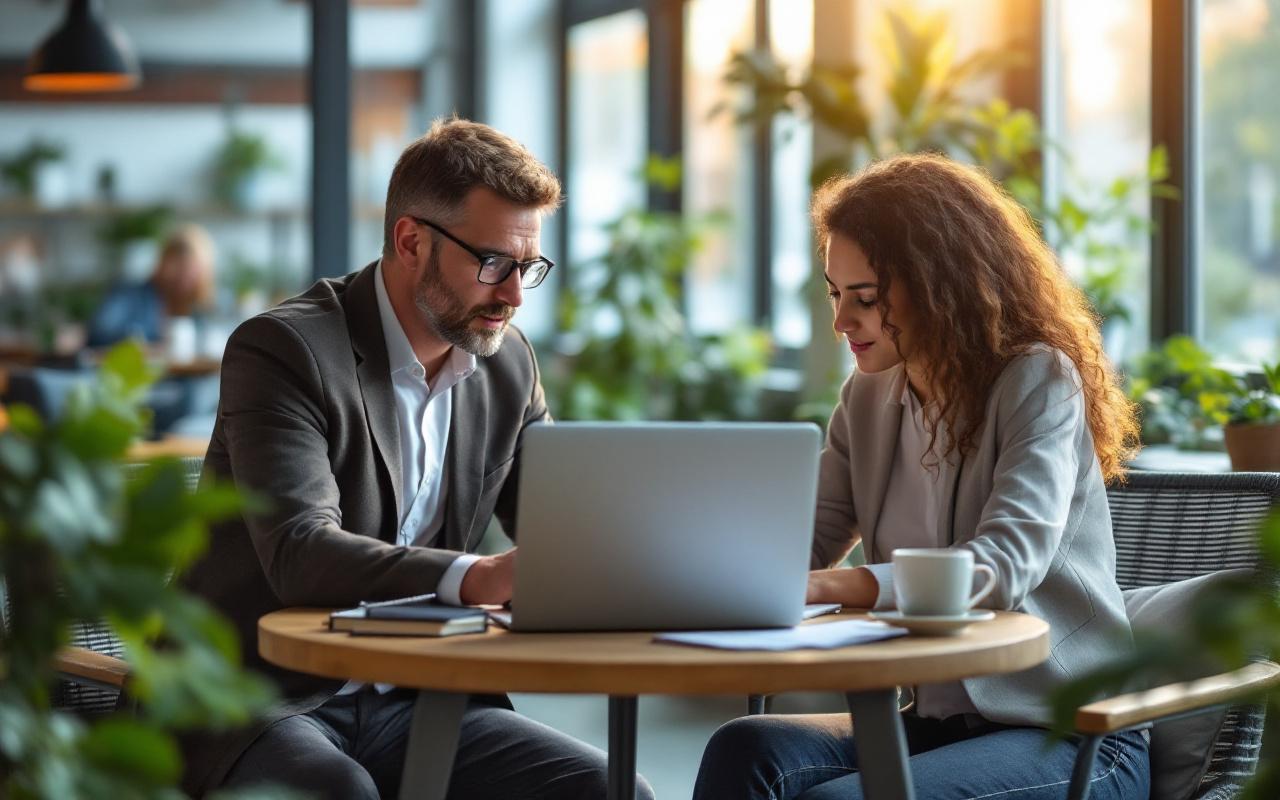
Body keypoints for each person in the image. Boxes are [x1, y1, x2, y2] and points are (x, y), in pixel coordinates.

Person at [180, 119, 654, 799]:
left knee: (615, 792)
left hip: (418, 694)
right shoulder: (285, 351)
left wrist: (648, 552)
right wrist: (477, 576)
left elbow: (558, 522)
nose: (515, 295)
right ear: (411, 242)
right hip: (257, 696)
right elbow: (300, 552)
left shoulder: (507, 362)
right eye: (493, 263)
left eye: (528, 268)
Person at [693, 153, 1150, 799]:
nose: (841, 321)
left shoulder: (1036, 379)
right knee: (747, 747)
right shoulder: (868, 397)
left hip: (1073, 736)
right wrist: (700, 563)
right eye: (834, 293)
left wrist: (828, 583)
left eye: (866, 298)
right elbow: (811, 535)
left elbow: (1005, 564)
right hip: (935, 726)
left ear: (941, 284)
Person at [86, 222, 217, 348]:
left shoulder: (200, 312)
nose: (184, 275)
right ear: (163, 262)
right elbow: (99, 333)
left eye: (192, 269)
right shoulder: (129, 294)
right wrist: (148, 343)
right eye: (179, 265)